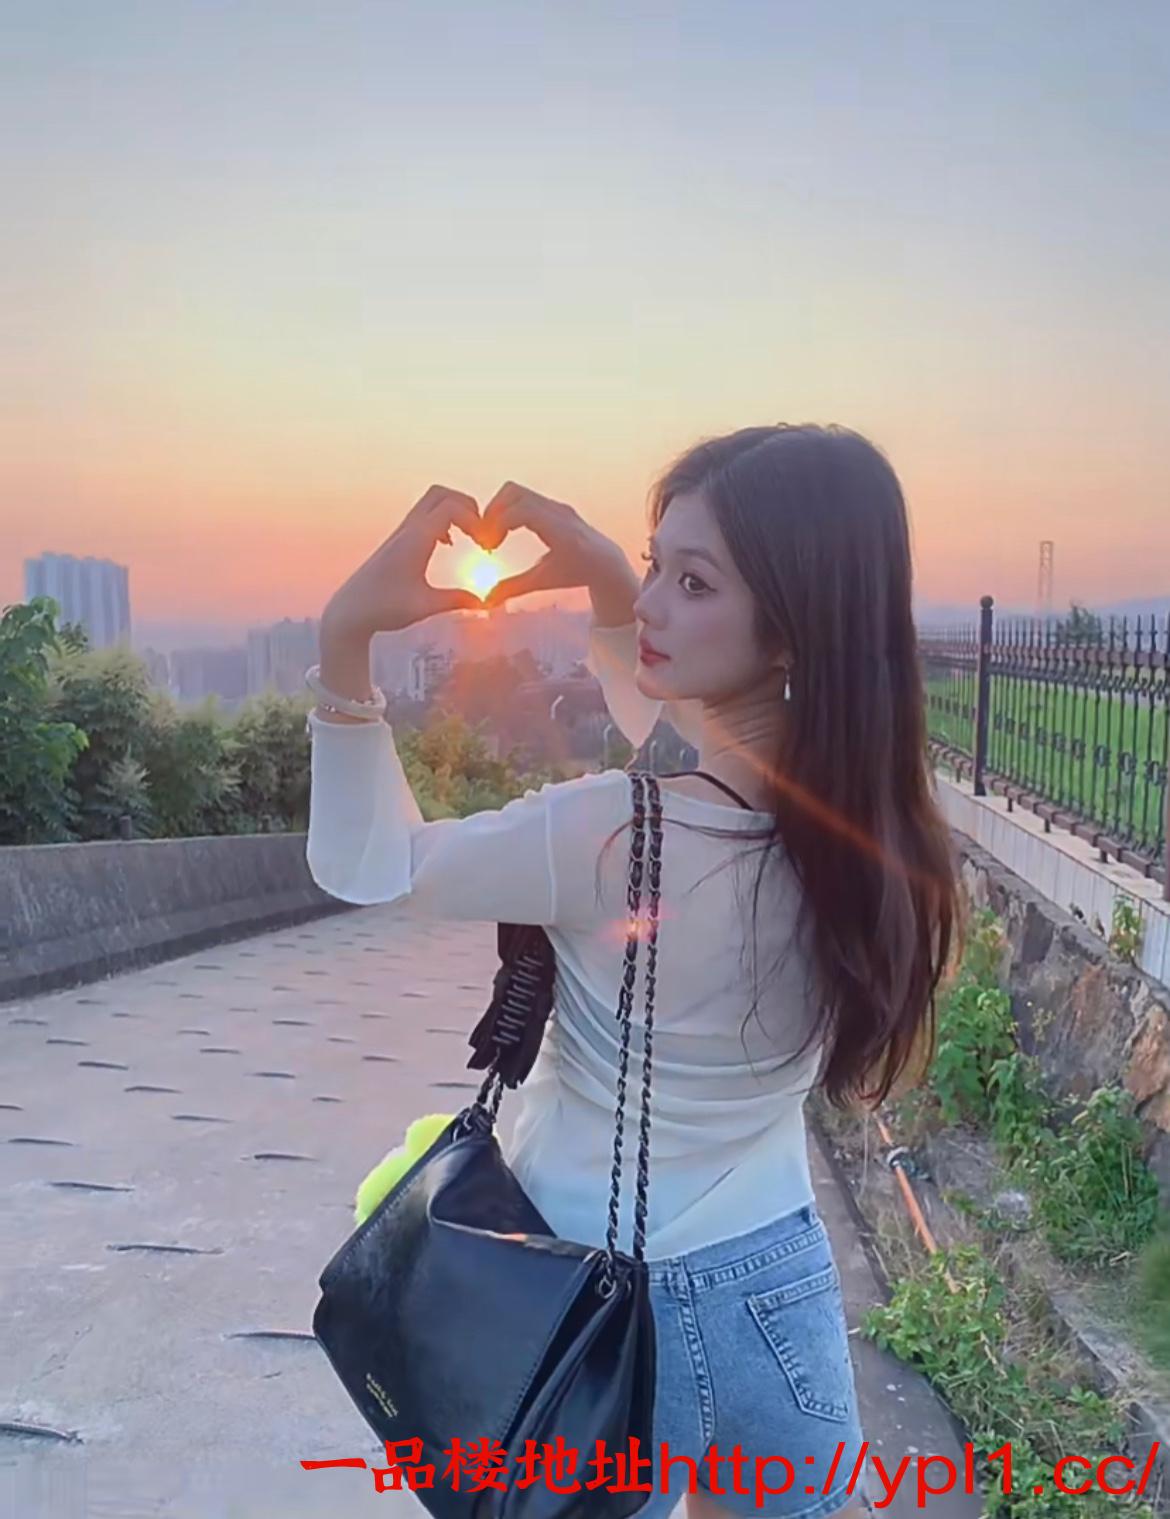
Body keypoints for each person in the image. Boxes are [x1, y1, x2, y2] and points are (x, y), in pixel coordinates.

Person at [305, 422, 964, 1519]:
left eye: (692, 583)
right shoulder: (872, 831)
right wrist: (615, 577)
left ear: (793, 627)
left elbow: (366, 862)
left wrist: (344, 640)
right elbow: (685, 741)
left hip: (584, 1301)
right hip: (771, 1287)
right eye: (658, 565)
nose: (652, 604)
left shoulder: (606, 833)